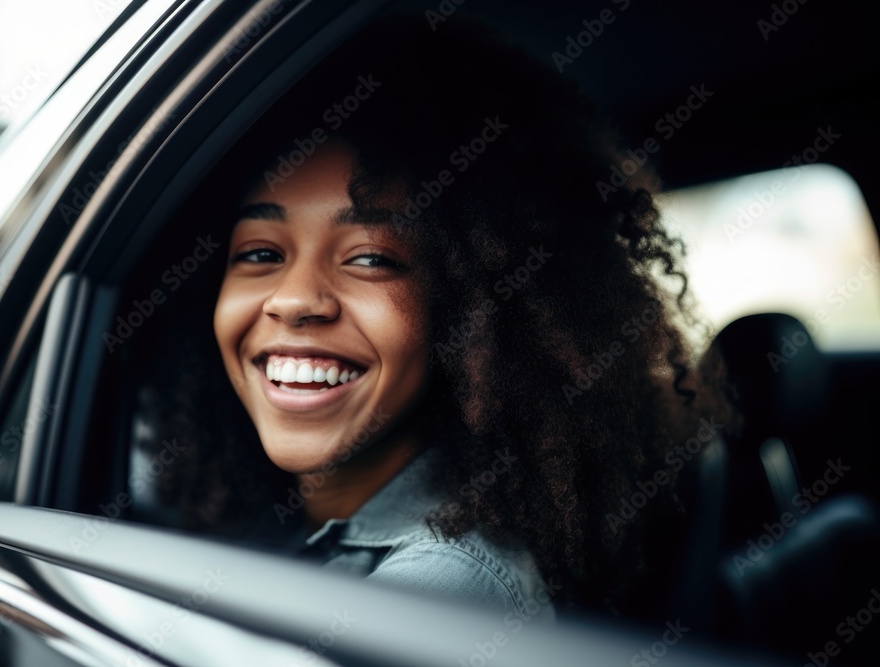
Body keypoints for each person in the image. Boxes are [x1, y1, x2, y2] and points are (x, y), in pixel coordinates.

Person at [150, 13, 731, 618]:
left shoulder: (445, 587)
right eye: (261, 253)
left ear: (475, 315)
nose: (294, 300)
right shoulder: (257, 520)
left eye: (372, 258)